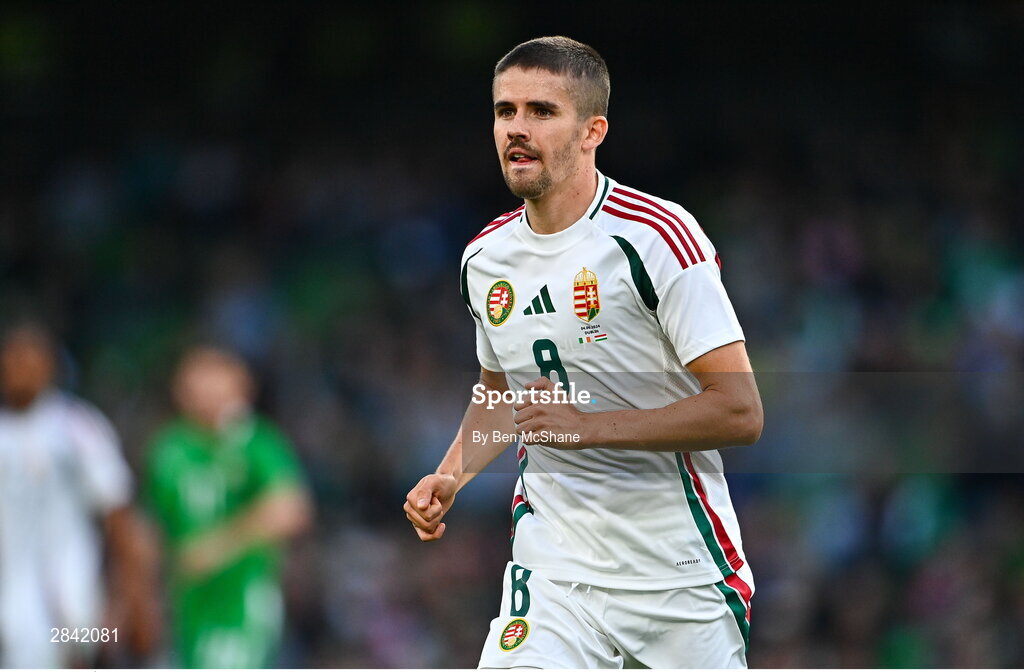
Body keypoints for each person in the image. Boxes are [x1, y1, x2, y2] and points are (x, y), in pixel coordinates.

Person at [404, 36, 763, 668]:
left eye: (542, 111)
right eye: (504, 111)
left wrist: (588, 429)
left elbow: (740, 412)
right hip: (553, 575)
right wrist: (452, 473)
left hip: (675, 577)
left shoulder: (655, 239)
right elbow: (500, 393)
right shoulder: (484, 260)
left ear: (593, 130)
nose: (517, 128)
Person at [0, 321, 160, 668]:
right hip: (11, 605)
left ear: (52, 366)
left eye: (31, 357)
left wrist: (138, 601)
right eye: (12, 357)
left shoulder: (77, 427)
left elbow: (118, 514)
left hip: (73, 603)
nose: (20, 367)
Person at [144, 345, 312, 668]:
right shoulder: (169, 449)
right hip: (185, 605)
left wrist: (216, 547)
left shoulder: (256, 443)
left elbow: (291, 507)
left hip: (240, 603)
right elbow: (152, 526)